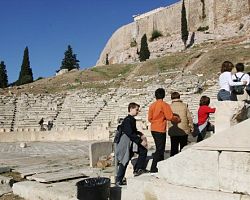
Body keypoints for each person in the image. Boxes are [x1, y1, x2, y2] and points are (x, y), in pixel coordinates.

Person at [148, 88, 180, 173]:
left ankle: (159, 166)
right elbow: (169, 117)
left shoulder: (152, 105)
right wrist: (177, 119)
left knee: (159, 148)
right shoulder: (164, 105)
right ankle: (154, 167)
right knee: (160, 149)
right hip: (160, 129)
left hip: (153, 128)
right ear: (164, 95)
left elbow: (149, 118)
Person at [115, 102, 148, 186]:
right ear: (131, 109)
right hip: (126, 143)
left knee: (142, 151)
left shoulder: (130, 119)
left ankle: (137, 169)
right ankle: (119, 180)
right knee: (124, 161)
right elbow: (129, 133)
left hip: (130, 142)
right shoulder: (127, 120)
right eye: (136, 110)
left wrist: (140, 134)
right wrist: (140, 141)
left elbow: (132, 131)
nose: (138, 111)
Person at [168, 92, 193, 157]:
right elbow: (189, 117)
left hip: (173, 130)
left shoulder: (169, 106)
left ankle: (172, 162)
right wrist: (191, 127)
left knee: (174, 148)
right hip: (184, 130)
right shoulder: (184, 105)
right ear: (179, 97)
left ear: (171, 98)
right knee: (183, 148)